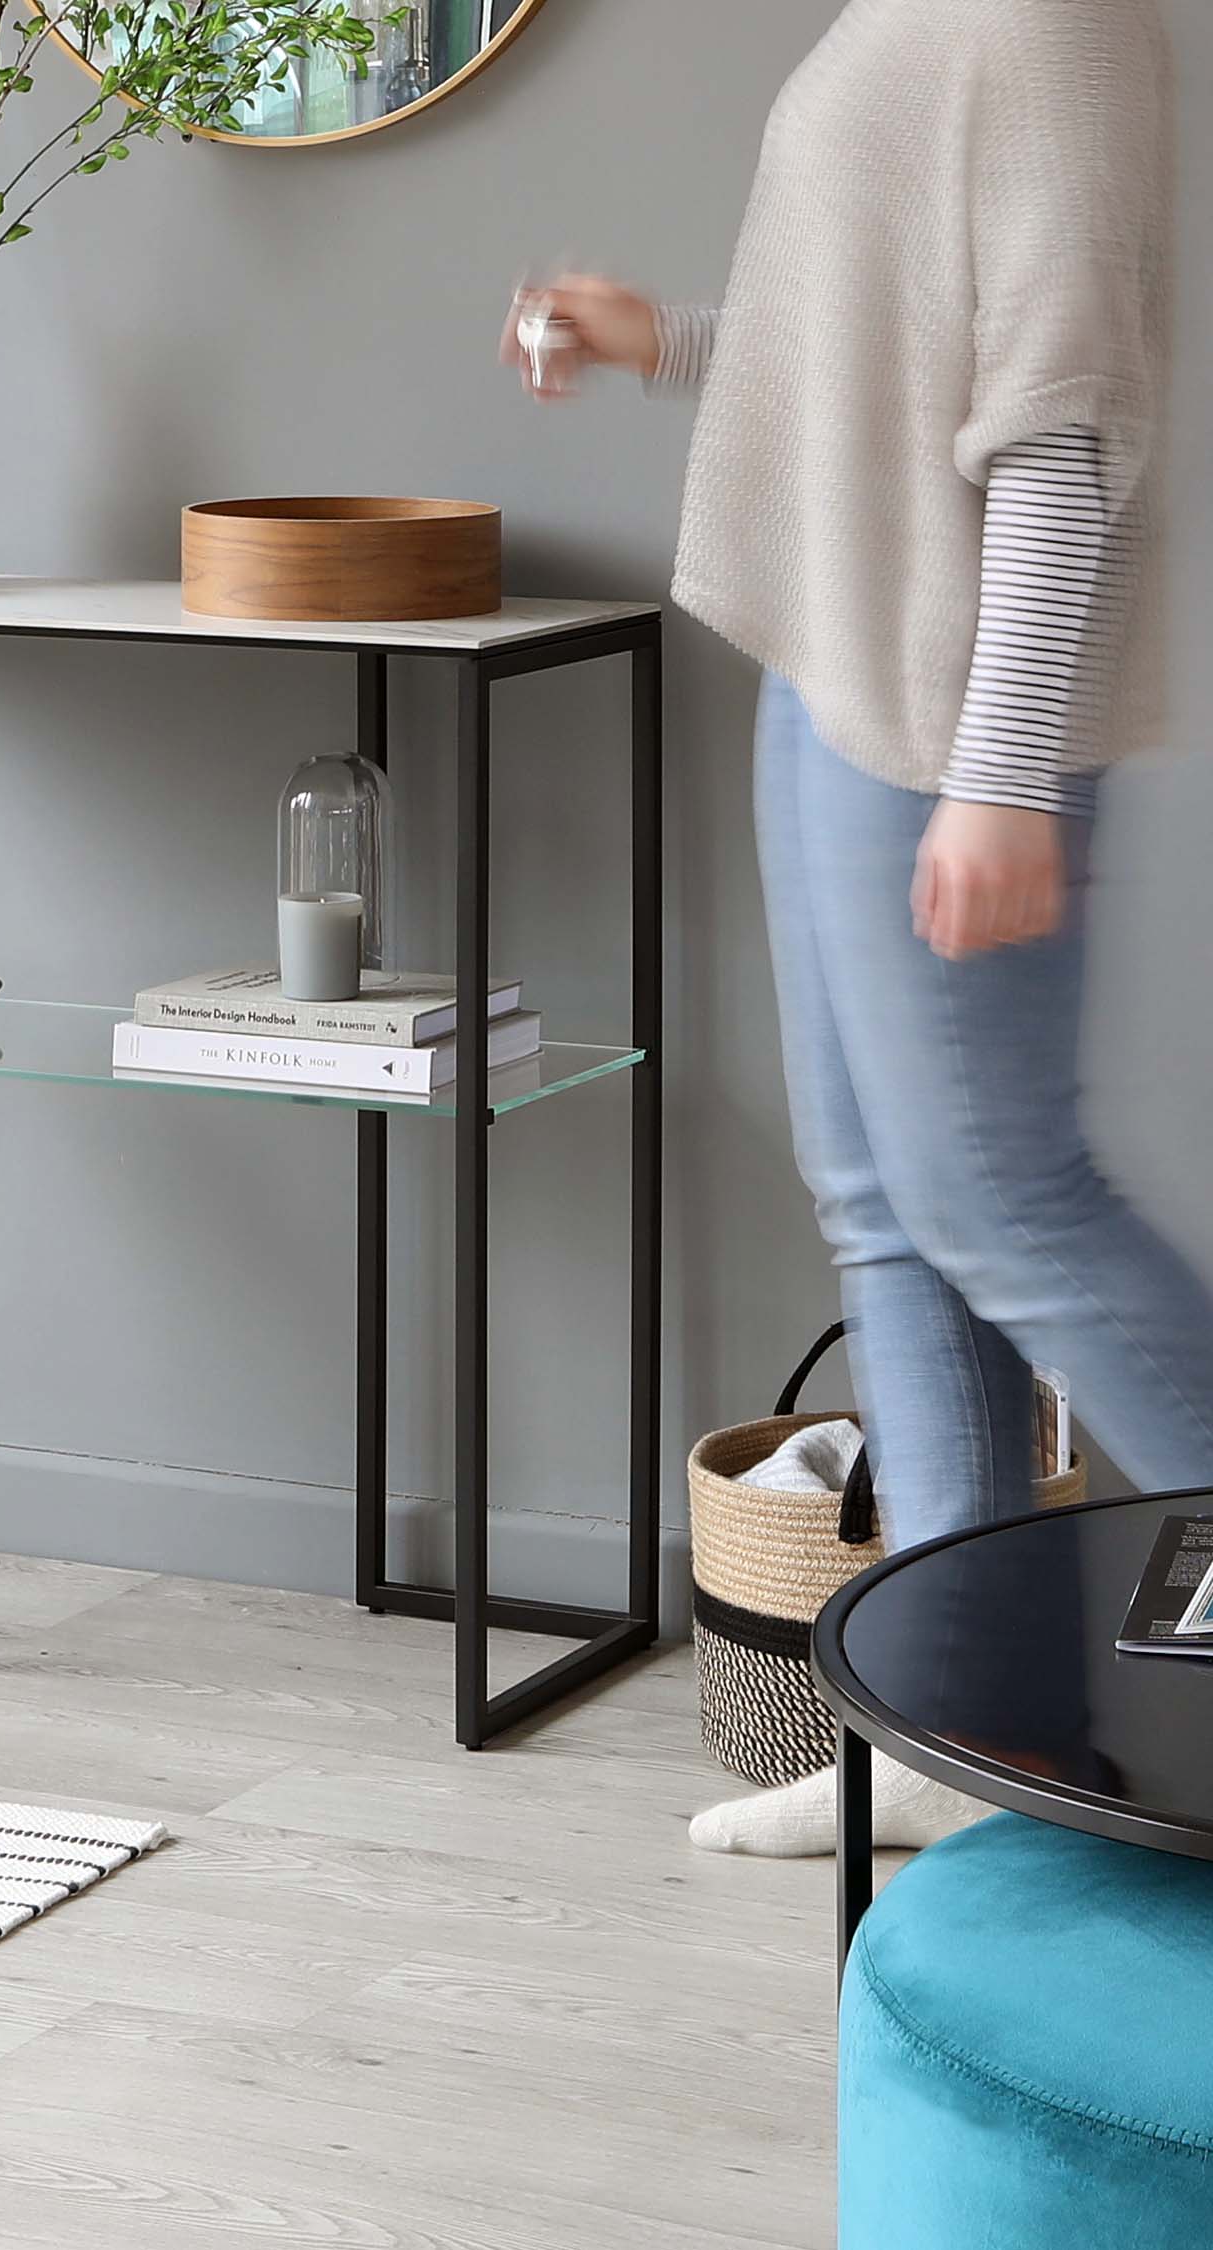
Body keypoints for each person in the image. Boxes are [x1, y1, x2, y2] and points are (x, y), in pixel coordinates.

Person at [506, 0, 1213, 1857]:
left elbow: (1065, 428)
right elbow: (887, 369)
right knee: (890, 1219)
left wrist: (1001, 771)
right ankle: (978, 1737)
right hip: (842, 678)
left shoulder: (1058, 22)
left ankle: (994, 1716)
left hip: (957, 705)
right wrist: (664, 341)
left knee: (1005, 1202)